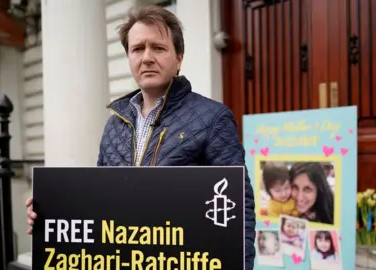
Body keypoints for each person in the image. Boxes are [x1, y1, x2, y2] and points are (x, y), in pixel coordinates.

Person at [25, 4, 256, 268]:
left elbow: (238, 210)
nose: (146, 57)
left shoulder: (213, 118)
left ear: (178, 58)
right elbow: (99, 203)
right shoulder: (114, 125)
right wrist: (52, 214)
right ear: (129, 58)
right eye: (137, 49)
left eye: (158, 48)